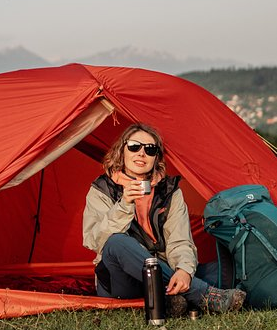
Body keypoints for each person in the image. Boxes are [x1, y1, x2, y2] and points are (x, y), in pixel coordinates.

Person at [83, 122, 246, 314]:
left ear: (156, 157)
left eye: (150, 149)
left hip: (164, 268)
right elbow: (95, 240)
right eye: (134, 146)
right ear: (122, 150)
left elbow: (180, 240)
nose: (141, 153)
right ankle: (204, 295)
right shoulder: (102, 189)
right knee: (117, 242)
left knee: (226, 269)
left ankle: (170, 299)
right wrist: (124, 204)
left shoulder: (169, 191)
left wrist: (184, 271)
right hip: (122, 281)